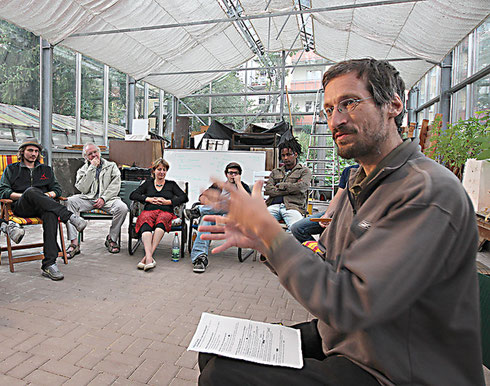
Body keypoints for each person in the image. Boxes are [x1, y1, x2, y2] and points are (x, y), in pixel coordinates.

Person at [197, 59, 483, 385]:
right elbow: (327, 266)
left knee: (223, 376)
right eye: (329, 109)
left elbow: (349, 303)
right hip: (349, 339)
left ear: (393, 105)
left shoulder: (427, 192)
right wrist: (264, 241)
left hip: (394, 367)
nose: (337, 119)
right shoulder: (360, 186)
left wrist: (271, 232)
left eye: (349, 103)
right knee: (215, 352)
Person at [0, 138, 87, 281]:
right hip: (22, 207)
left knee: (51, 215)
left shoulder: (45, 170)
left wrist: (44, 196)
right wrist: (27, 195)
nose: (33, 154)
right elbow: (3, 191)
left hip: (43, 207)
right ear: (22, 152)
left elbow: (57, 190)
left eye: (36, 151)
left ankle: (49, 264)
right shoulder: (12, 169)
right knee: (31, 191)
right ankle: (70, 217)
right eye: (30, 150)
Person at [185, 162, 251, 273]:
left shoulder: (243, 187)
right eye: (230, 173)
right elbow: (202, 197)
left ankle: (198, 211)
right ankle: (200, 258)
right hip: (215, 217)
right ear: (226, 174)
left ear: (240, 175)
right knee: (206, 220)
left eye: (236, 173)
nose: (233, 175)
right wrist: (210, 202)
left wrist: (238, 185)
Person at [65, 143, 128, 257]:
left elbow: (115, 185)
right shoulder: (82, 170)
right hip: (88, 198)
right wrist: (92, 168)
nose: (94, 155)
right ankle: (74, 243)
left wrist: (103, 198)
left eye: (95, 152)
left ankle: (111, 239)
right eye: (90, 154)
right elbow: (83, 188)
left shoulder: (111, 166)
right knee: (69, 201)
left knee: (122, 208)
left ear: (100, 152)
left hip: (108, 199)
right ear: (85, 157)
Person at [129, 158, 188, 271]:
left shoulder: (171, 185)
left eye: (164, 170)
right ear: (154, 171)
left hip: (166, 212)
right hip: (149, 211)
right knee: (145, 219)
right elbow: (133, 195)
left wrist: (168, 202)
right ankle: (149, 258)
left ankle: (147, 258)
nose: (162, 172)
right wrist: (148, 199)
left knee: (162, 220)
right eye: (159, 169)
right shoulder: (148, 184)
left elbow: (184, 197)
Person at [290, 164, 359, 243]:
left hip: (354, 216)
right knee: (297, 228)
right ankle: (317, 251)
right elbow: (338, 197)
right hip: (341, 212)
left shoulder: (374, 174)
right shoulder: (348, 171)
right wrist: (326, 215)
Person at [265, 143, 311, 230]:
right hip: (274, 206)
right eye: (283, 155)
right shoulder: (276, 171)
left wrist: (280, 186)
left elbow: (301, 187)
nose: (285, 158)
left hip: (293, 207)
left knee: (296, 229)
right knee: (259, 226)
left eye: (288, 155)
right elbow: (268, 189)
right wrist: (292, 187)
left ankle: (284, 243)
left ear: (296, 155)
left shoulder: (304, 171)